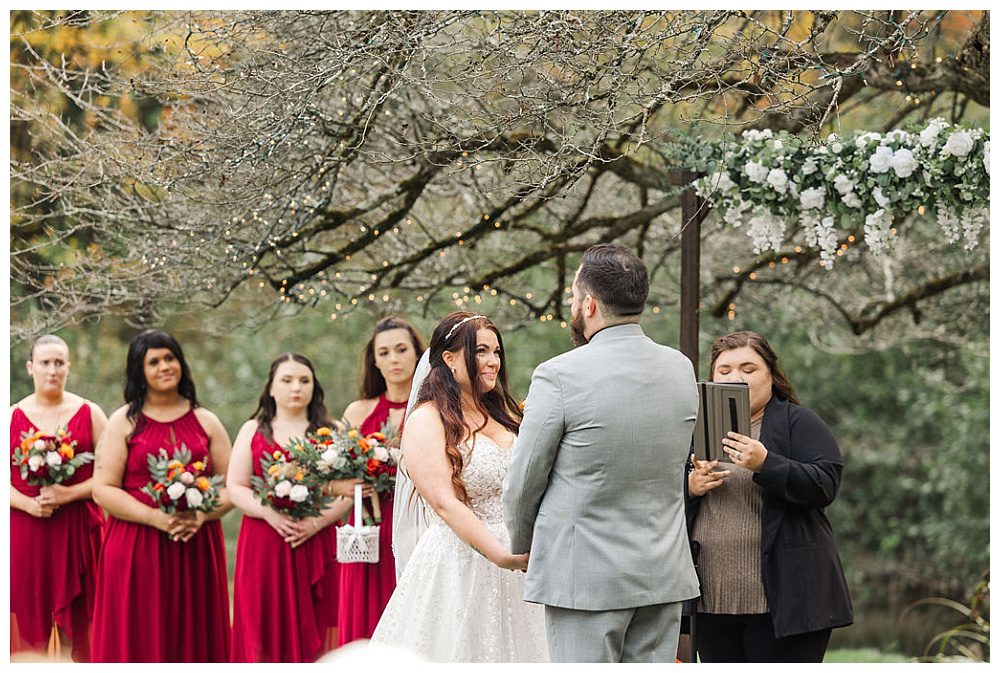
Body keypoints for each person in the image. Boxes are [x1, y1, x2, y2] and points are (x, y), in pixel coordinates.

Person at [502, 243, 700, 663]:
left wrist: (522, 544)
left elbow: (524, 479)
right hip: (662, 571)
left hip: (583, 577)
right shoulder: (680, 368)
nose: (573, 306)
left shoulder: (559, 374)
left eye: (574, 298)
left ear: (589, 305)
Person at [370, 312, 548, 662]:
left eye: (497, 352)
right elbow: (444, 503)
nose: (493, 361)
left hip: (524, 560)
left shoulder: (507, 414)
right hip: (462, 562)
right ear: (449, 358)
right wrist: (499, 555)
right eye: (481, 351)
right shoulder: (426, 419)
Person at [686, 331, 853, 662]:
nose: (736, 377)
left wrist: (767, 463)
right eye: (725, 370)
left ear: (771, 377)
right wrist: (690, 487)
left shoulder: (799, 422)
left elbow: (825, 484)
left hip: (783, 601)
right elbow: (662, 493)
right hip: (713, 601)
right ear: (711, 378)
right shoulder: (695, 427)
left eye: (749, 369)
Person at [91, 329, 233, 662]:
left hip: (195, 545)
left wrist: (200, 515)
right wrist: (156, 518)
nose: (164, 366)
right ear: (139, 371)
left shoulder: (205, 420)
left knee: (193, 638)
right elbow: (103, 489)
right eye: (153, 361)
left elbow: (232, 485)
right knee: (139, 637)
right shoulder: (124, 421)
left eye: (169, 358)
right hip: (136, 547)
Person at [229, 353, 355, 662]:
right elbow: (235, 486)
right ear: (271, 388)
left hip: (318, 541)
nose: (295, 387)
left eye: (304, 380)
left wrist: (316, 523)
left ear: (314, 387)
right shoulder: (252, 430)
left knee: (323, 623)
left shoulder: (332, 430)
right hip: (264, 543)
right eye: (286, 380)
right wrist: (269, 513)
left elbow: (350, 490)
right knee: (263, 624)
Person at [10, 335, 108, 662]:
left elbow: (112, 476)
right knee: (27, 623)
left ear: (69, 366)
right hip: (26, 532)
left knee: (82, 622)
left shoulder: (90, 413)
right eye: (44, 363)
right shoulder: (9, 416)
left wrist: (69, 493)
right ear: (30, 367)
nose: (52, 370)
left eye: (59, 363)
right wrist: (26, 503)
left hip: (79, 530)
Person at [337, 316, 424, 645]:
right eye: (384, 353)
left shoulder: (433, 409)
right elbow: (330, 478)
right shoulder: (358, 411)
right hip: (368, 529)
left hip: (416, 524)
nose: (394, 359)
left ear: (417, 353)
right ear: (374, 361)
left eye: (401, 350)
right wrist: (345, 487)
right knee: (366, 622)